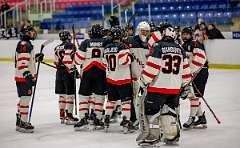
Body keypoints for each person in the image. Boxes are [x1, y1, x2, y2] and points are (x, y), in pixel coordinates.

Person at [136, 27, 191, 145]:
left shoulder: (158, 47)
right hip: (174, 89)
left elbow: (152, 67)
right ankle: (172, 135)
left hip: (157, 88)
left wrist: (143, 81)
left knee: (151, 111)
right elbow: (186, 71)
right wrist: (185, 85)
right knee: (170, 111)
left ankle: (152, 136)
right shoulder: (180, 49)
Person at [73, 24, 108, 130]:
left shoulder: (85, 42)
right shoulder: (106, 42)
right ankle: (97, 118)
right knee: (99, 96)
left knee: (84, 96)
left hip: (87, 72)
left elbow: (77, 60)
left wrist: (73, 56)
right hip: (101, 72)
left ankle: (83, 118)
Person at [103, 27, 134, 133]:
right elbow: (123, 61)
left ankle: (106, 119)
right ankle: (126, 122)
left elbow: (104, 63)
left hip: (111, 79)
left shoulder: (106, 47)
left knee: (111, 101)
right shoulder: (122, 46)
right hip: (123, 79)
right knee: (126, 102)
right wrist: (131, 57)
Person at [15, 25, 44, 133]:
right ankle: (23, 122)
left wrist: (36, 58)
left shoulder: (26, 44)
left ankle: (19, 120)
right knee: (25, 99)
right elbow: (22, 63)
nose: (34, 33)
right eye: (31, 31)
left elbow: (28, 61)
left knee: (23, 99)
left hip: (22, 76)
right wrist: (27, 76)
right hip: (23, 78)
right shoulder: (24, 44)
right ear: (27, 33)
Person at [181, 27, 209, 129]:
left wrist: (191, 72)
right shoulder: (183, 45)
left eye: (187, 34)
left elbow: (201, 59)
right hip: (191, 73)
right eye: (183, 34)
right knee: (192, 95)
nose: (185, 36)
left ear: (191, 35)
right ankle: (201, 117)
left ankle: (192, 118)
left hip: (200, 72)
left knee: (194, 96)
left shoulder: (195, 44)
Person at [124, 21, 150, 127]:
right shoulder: (129, 41)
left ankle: (142, 118)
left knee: (142, 99)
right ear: (138, 31)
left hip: (146, 79)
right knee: (135, 99)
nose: (144, 34)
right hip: (134, 79)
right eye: (143, 31)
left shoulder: (151, 43)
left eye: (146, 32)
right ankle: (136, 118)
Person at [53, 30, 79, 125]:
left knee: (62, 94)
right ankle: (69, 116)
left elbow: (56, 62)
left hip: (59, 73)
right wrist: (75, 71)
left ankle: (62, 115)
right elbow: (68, 60)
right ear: (68, 37)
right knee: (70, 94)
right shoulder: (70, 46)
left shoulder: (56, 48)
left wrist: (60, 67)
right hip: (68, 72)